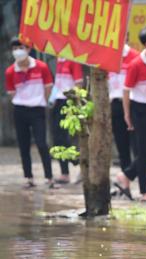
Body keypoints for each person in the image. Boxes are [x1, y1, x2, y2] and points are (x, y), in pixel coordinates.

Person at [114, 27, 146, 203]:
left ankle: (126, 175)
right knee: (144, 151)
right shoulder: (136, 64)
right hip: (139, 109)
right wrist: (127, 115)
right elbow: (126, 91)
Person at [5, 37, 56, 189]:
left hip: (38, 109)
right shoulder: (10, 71)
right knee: (23, 144)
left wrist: (42, 101)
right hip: (20, 110)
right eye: (14, 49)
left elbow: (48, 87)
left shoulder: (41, 67)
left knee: (41, 143)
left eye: (20, 48)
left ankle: (49, 177)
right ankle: (28, 177)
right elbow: (12, 93)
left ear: (28, 49)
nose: (17, 52)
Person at [108, 43, 140, 172]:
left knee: (138, 143)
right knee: (121, 143)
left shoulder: (135, 56)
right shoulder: (106, 55)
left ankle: (143, 173)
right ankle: (125, 174)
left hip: (133, 103)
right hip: (115, 103)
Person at [51, 58, 84, 184]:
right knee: (57, 139)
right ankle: (65, 172)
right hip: (58, 101)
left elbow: (78, 84)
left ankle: (80, 161)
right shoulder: (59, 60)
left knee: (66, 137)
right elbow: (58, 84)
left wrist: (75, 104)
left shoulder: (73, 60)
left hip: (68, 102)